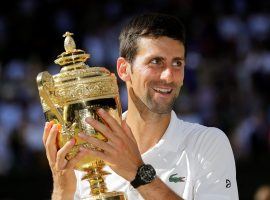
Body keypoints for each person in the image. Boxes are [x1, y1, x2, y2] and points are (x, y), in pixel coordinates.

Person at [43, 13, 239, 200]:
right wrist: (62, 190)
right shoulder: (89, 148)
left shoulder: (207, 143)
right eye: (156, 62)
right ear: (123, 69)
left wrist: (137, 173)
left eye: (177, 63)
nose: (169, 76)